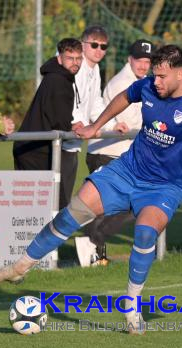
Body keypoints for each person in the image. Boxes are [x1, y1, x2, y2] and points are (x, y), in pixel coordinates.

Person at [0, 45, 182, 335]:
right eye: (154, 75)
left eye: (162, 76)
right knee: (71, 214)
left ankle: (131, 303)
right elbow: (124, 97)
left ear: (180, 73)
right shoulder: (150, 87)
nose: (156, 82)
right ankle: (19, 268)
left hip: (164, 188)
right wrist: (95, 126)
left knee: (144, 232)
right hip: (126, 171)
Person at [75, 39, 153, 267]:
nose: (143, 65)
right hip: (108, 152)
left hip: (120, 154)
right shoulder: (124, 83)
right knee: (128, 204)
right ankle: (92, 241)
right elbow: (131, 122)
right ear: (130, 59)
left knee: (112, 205)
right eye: (139, 60)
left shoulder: (141, 81)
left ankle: (94, 252)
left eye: (147, 61)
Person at [12, 38, 83, 208]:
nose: (75, 63)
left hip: (33, 148)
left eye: (78, 58)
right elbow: (58, 120)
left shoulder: (58, 77)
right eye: (70, 58)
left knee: (40, 206)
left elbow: (54, 116)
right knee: (45, 206)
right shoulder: (59, 81)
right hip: (34, 151)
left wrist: (69, 126)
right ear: (59, 58)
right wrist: (70, 128)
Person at [62, 25, 120, 212]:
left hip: (73, 142)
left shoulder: (94, 70)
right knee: (54, 197)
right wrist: (82, 126)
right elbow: (69, 101)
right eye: (94, 45)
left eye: (103, 47)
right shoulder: (76, 68)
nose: (99, 50)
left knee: (63, 197)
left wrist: (113, 125)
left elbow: (95, 103)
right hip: (62, 139)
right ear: (82, 44)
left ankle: (53, 239)